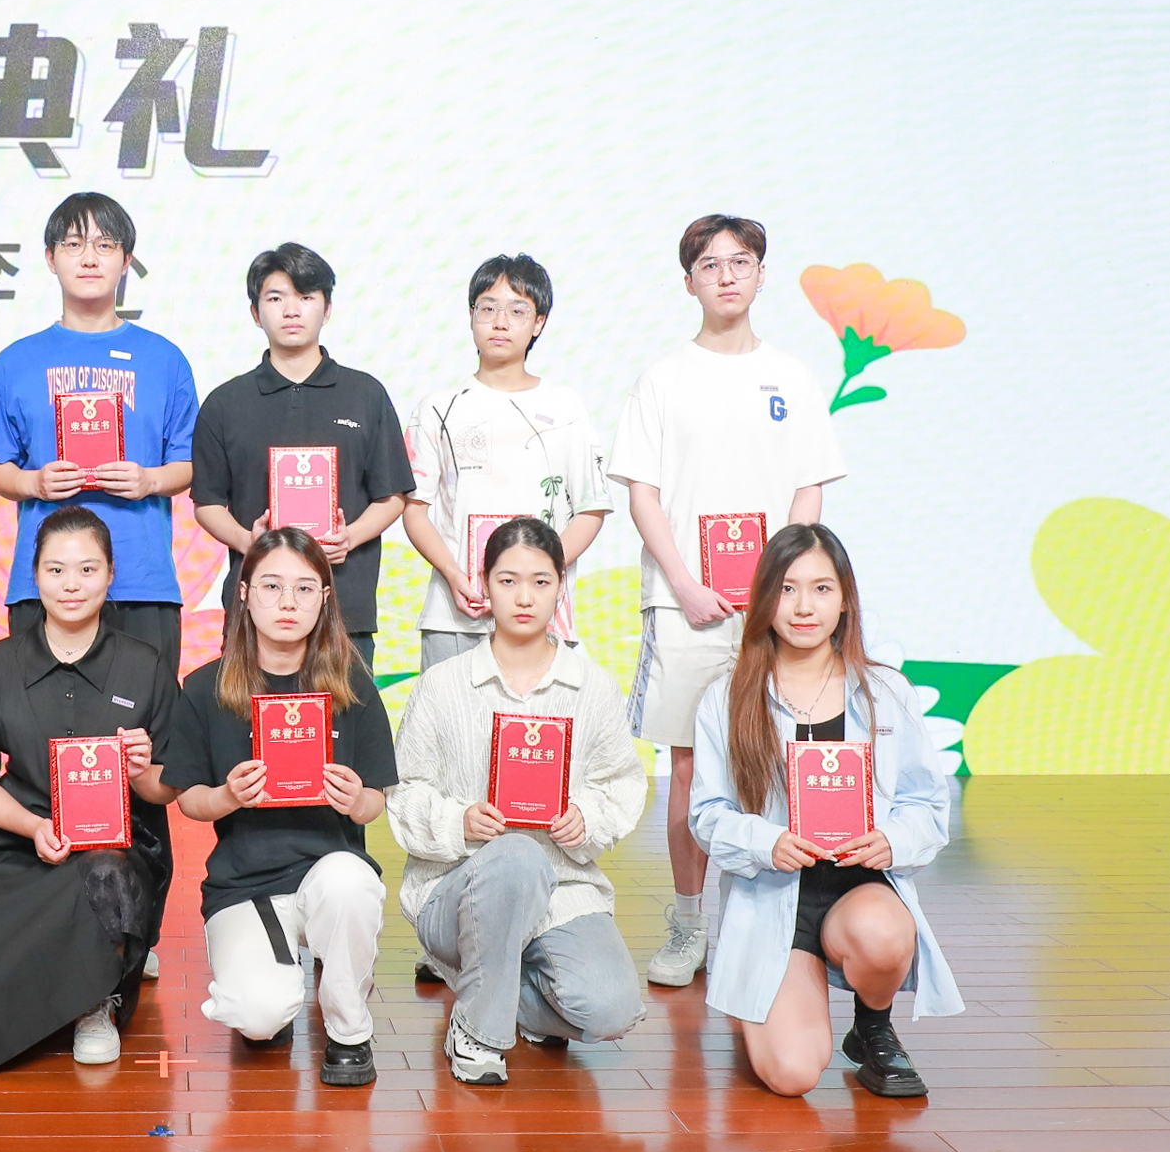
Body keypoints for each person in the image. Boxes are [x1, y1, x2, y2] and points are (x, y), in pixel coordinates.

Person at [612, 214, 845, 992]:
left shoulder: (793, 377)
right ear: (689, 282)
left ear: (760, 274)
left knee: (772, 757)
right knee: (687, 764)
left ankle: (767, 921)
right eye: (709, 265)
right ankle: (688, 924)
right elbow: (642, 493)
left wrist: (786, 586)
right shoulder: (663, 379)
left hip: (776, 608)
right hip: (686, 604)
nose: (726, 276)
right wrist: (683, 582)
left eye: (739, 262)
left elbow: (808, 488)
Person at [687, 522, 958, 1099]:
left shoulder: (885, 691)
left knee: (883, 935)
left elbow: (927, 802)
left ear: (845, 601)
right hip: (775, 895)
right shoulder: (728, 697)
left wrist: (892, 839)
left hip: (860, 888)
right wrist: (766, 841)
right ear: (764, 599)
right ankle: (767, 1000)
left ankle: (873, 1027)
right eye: (786, 589)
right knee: (791, 1075)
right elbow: (708, 813)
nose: (804, 607)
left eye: (821, 589)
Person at [388, 517, 647, 1086]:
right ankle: (477, 1033)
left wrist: (588, 818)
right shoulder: (443, 685)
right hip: (455, 889)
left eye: (540, 582)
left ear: (561, 587)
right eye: (507, 581)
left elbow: (623, 782)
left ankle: (495, 982)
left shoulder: (593, 687)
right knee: (515, 854)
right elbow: (404, 791)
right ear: (485, 584)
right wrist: (459, 821)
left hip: (563, 889)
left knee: (611, 1010)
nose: (524, 597)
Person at [0, 508, 183, 1072]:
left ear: (111, 574)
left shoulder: (144, 665)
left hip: (118, 840)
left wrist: (141, 770)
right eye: (56, 570)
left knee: (104, 871)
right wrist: (33, 827)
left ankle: (97, 1001)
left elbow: (166, 788)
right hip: (21, 835)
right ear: (35, 575)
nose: (72, 584)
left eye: (87, 569)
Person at [163, 526, 394, 1088]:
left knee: (350, 882)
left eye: (304, 589)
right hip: (246, 883)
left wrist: (355, 799)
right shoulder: (205, 687)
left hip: (328, 872)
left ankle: (348, 1032)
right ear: (243, 594)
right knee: (260, 1015)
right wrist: (228, 796)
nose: (287, 602)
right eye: (271, 586)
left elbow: (374, 802)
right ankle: (278, 987)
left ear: (325, 598)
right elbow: (189, 798)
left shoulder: (353, 684)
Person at [0, 191, 199, 651]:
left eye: (104, 245)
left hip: (142, 582)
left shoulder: (164, 358)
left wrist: (149, 480)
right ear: (50, 258)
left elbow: (188, 463)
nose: (88, 258)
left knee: (148, 701)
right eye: (73, 244)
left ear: (126, 261)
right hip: (44, 582)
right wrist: (34, 483)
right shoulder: (15, 362)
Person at [191, 242, 412, 676]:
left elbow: (393, 495)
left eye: (306, 297)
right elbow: (207, 503)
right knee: (250, 720)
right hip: (254, 611)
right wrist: (248, 542)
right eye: (276, 298)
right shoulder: (225, 403)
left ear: (326, 309)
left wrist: (350, 537)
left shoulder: (365, 394)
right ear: (255, 313)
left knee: (345, 718)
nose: (291, 310)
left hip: (344, 609)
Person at [401, 254, 613, 672]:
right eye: (489, 308)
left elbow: (591, 510)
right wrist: (454, 575)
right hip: (456, 614)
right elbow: (415, 509)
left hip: (542, 615)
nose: (500, 323)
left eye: (517, 311)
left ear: (538, 323)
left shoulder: (566, 407)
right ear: (471, 315)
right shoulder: (438, 407)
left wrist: (537, 577)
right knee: (448, 715)